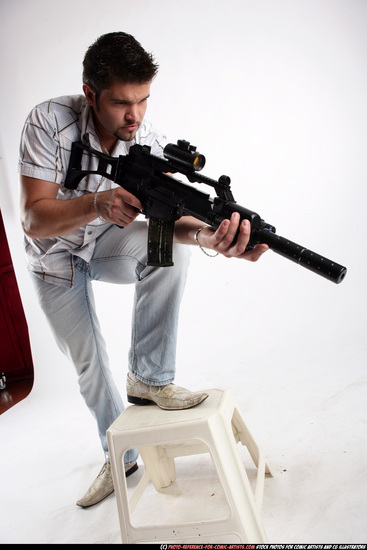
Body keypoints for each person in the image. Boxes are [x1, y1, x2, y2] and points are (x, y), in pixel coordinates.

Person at [18, 32, 268, 508]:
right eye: (120, 103)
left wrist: (209, 237)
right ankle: (122, 455)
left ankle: (150, 378)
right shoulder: (49, 121)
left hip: (107, 244)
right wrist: (96, 203)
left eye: (144, 100)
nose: (134, 116)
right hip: (53, 261)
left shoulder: (146, 143)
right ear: (90, 93)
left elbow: (172, 220)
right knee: (89, 364)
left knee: (172, 249)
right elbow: (33, 219)